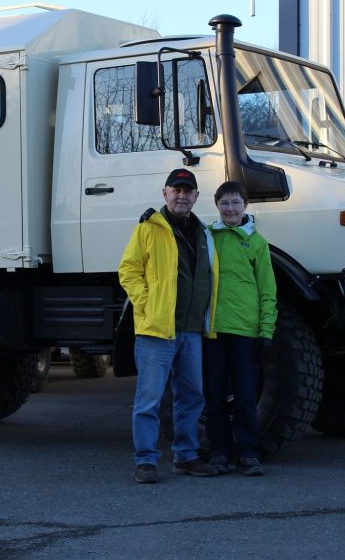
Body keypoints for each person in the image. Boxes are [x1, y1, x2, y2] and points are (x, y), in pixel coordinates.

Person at [118, 168, 219, 484]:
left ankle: (185, 457)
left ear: (196, 197)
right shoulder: (149, 228)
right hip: (157, 331)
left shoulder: (205, 234)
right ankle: (146, 461)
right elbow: (128, 271)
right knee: (149, 400)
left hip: (191, 331)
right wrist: (146, 305)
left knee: (192, 398)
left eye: (188, 190)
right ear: (165, 193)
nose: (182, 195)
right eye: (176, 189)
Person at [205, 180, 277, 477]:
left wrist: (266, 331)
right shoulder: (207, 236)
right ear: (217, 206)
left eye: (235, 202)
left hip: (246, 333)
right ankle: (220, 453)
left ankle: (248, 454)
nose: (230, 209)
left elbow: (267, 291)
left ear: (245, 206)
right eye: (224, 203)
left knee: (246, 398)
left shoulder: (257, 243)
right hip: (213, 331)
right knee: (215, 396)